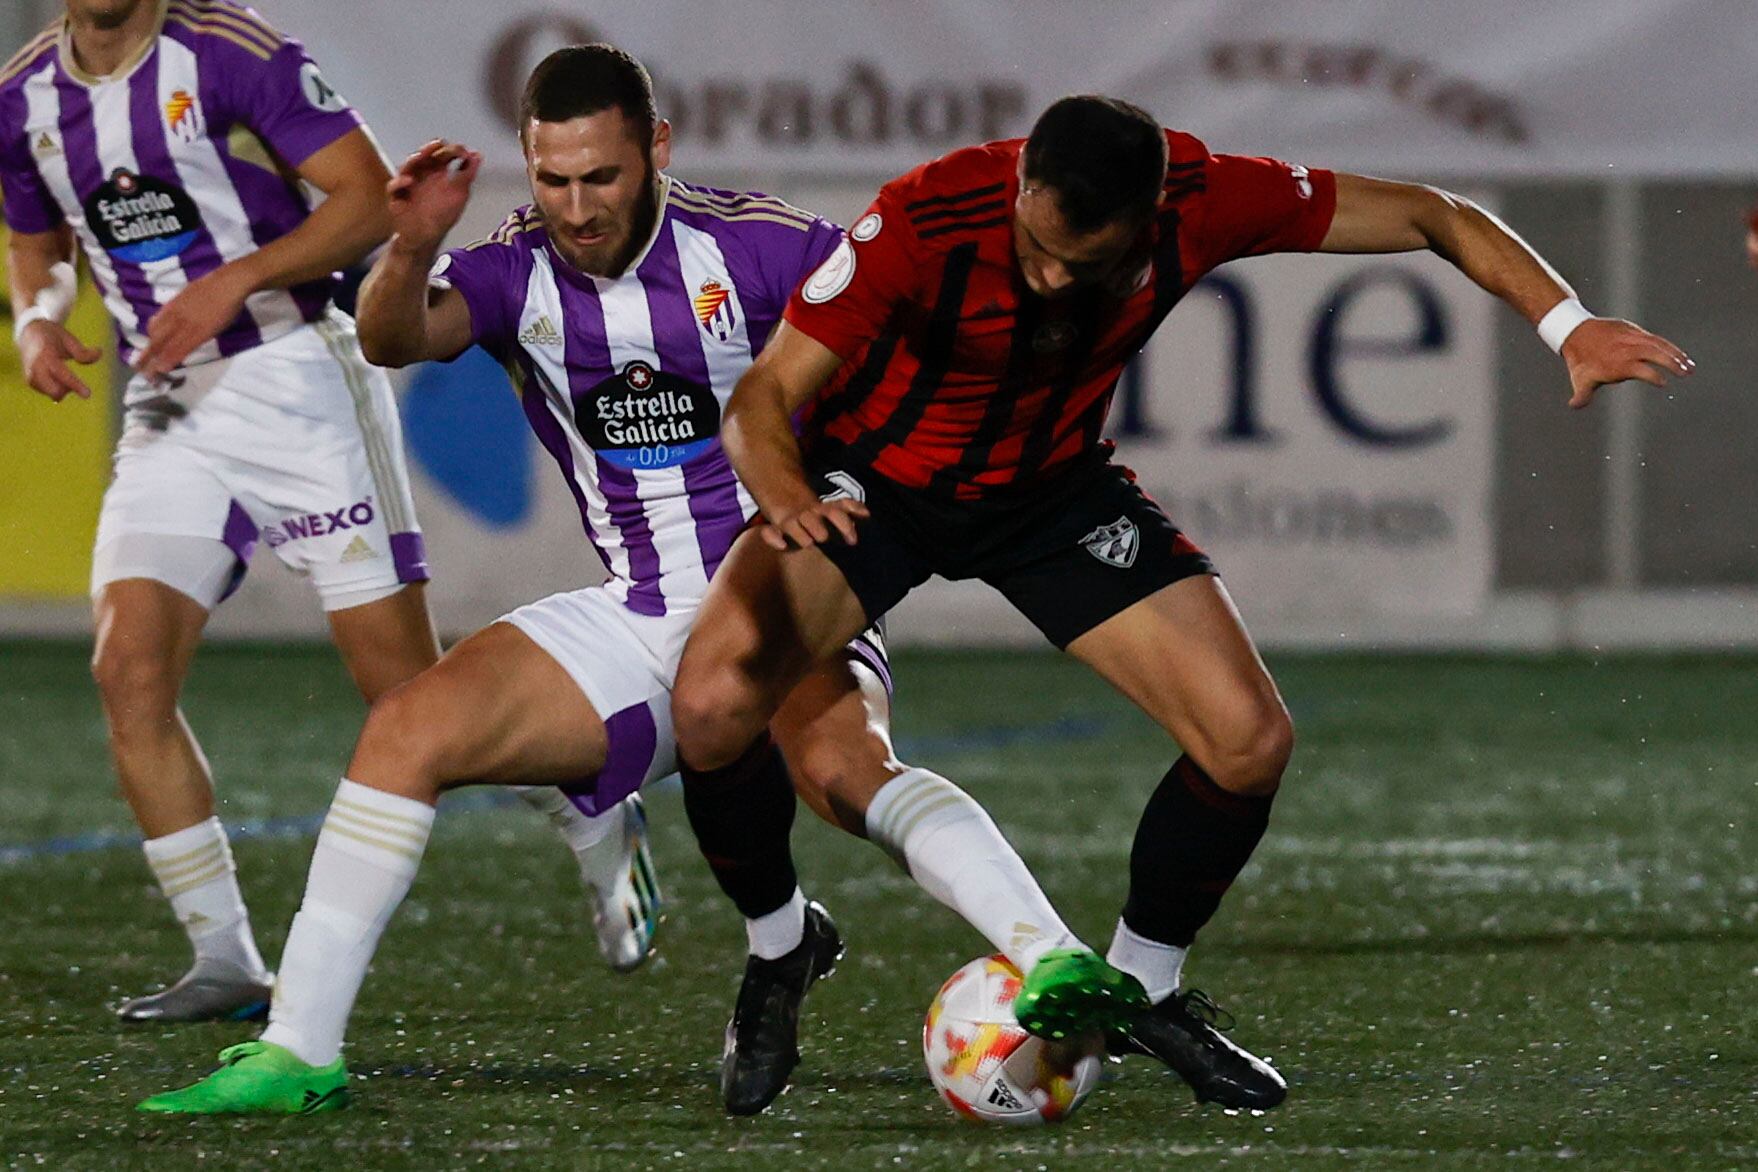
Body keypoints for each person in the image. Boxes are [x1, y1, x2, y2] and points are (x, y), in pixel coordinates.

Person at [136, 44, 1134, 1119]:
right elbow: (393, 337)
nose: (576, 207)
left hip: (782, 593)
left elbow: (903, 320)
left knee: (845, 767)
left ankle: (1058, 958)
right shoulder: (516, 267)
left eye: (601, 177)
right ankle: (299, 1050)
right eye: (553, 180)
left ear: (655, 148)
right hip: (640, 611)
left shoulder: (758, 248)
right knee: (403, 731)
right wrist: (412, 240)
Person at [668, 94, 1696, 1111]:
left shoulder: (1205, 199)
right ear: (1022, 187)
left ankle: (1145, 986)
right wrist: (787, 492)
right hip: (872, 492)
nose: (1056, 279)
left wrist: (1566, 321)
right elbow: (763, 395)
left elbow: (1435, 212)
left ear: (1152, 215)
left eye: (1088, 264)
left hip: (1049, 495)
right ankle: (776, 950)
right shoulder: (924, 217)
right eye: (1043, 251)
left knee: (1248, 740)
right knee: (713, 703)